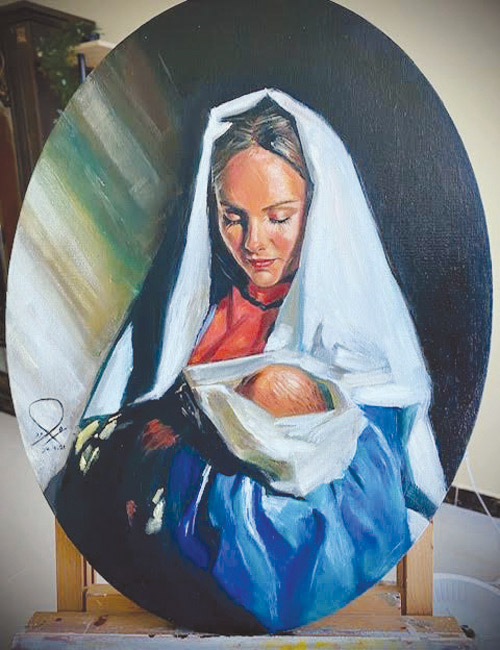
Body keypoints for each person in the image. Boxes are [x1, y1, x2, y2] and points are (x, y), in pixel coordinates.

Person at [54, 89, 446, 633]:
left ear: (321, 210)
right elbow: (90, 460)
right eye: (232, 217)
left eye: (279, 217)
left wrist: (167, 459)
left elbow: (325, 532)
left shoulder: (354, 342)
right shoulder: (180, 320)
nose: (254, 243)